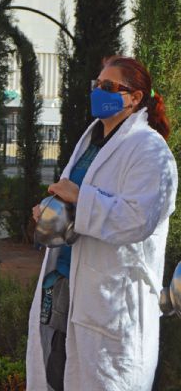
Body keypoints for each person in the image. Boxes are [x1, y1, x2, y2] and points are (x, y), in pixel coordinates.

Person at [26, 56, 177, 391]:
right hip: (66, 289)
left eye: (109, 87)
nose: (99, 92)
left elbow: (137, 220)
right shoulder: (90, 142)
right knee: (57, 377)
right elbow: (74, 205)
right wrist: (51, 212)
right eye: (98, 85)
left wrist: (80, 197)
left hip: (113, 303)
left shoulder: (150, 151)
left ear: (135, 97)